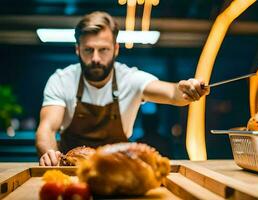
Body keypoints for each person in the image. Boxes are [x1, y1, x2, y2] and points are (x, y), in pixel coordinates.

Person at [36, 11, 209, 166]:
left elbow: (172, 93)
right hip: (70, 172)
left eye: (103, 49)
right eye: (89, 50)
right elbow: (47, 128)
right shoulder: (61, 80)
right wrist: (51, 155)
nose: (96, 58)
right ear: (77, 50)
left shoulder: (130, 79)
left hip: (117, 171)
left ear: (116, 49)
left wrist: (188, 88)